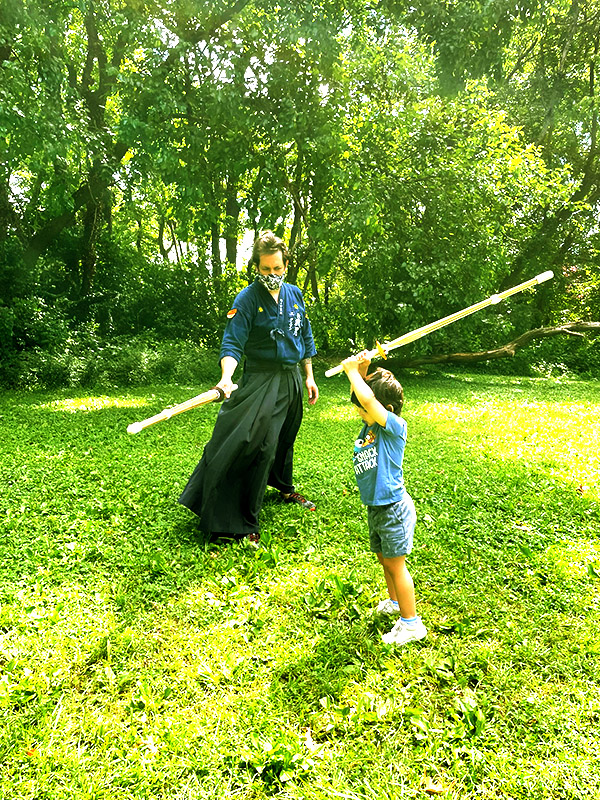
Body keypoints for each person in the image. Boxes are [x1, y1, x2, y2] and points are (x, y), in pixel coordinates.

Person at [178, 230, 318, 542]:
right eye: (266, 269)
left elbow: (305, 336)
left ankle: (283, 488)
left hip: (292, 376)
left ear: (286, 265)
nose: (272, 275)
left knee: (284, 436)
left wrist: (308, 375)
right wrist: (227, 377)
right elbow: (232, 343)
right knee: (259, 443)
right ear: (256, 267)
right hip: (261, 378)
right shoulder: (246, 300)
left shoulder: (295, 296)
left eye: (277, 268)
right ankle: (242, 520)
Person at [342, 351, 427, 646]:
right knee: (384, 561)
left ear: (385, 408)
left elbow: (367, 401)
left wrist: (352, 371)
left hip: (393, 508)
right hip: (377, 507)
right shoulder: (371, 426)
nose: (361, 414)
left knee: (396, 565)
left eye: (365, 411)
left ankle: (411, 624)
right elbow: (362, 396)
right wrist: (362, 368)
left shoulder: (393, 428)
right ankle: (394, 603)